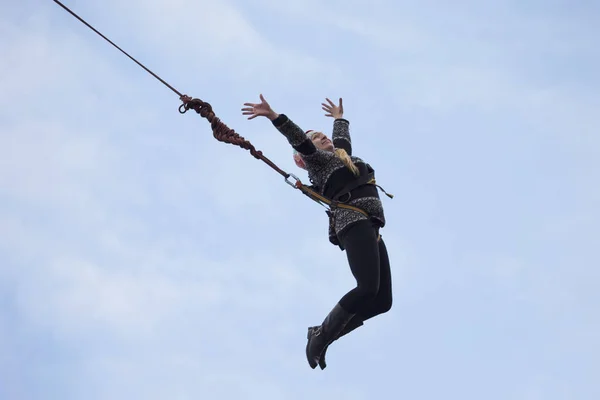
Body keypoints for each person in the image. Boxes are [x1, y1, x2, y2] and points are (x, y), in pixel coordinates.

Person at [241, 94, 393, 370]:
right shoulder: (318, 162)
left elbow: (342, 141)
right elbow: (298, 138)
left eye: (324, 136)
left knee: (382, 301)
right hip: (353, 221)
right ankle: (321, 336)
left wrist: (338, 119)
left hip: (370, 226)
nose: (323, 138)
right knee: (367, 288)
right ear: (302, 160)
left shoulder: (342, 158)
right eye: (317, 138)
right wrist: (275, 116)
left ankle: (323, 335)